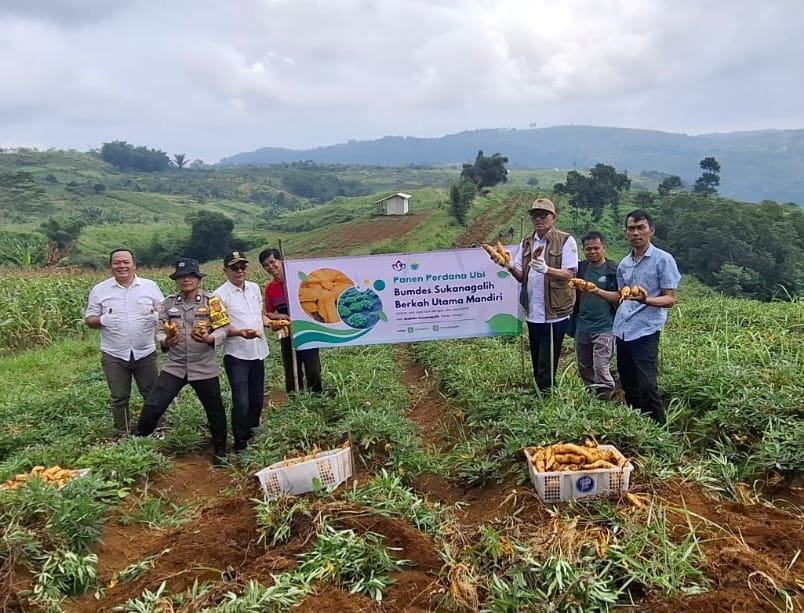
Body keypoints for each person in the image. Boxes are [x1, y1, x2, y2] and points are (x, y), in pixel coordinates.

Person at [577, 210, 681, 424]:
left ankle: (659, 431)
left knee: (647, 384)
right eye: (631, 229)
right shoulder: (624, 264)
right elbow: (620, 296)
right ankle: (638, 426)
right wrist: (594, 290)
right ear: (626, 233)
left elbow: (669, 299)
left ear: (651, 231)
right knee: (628, 383)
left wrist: (645, 300)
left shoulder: (663, 260)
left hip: (646, 330)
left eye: (640, 228)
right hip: (622, 330)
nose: (636, 233)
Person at [136, 258, 231, 465]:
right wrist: (167, 341)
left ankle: (220, 450)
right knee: (153, 405)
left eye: (190, 276)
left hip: (204, 365)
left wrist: (211, 338)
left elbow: (223, 328)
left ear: (198, 279)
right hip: (175, 365)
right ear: (176, 281)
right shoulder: (168, 304)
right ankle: (137, 446)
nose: (186, 280)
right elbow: (160, 333)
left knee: (214, 409)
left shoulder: (212, 302)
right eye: (181, 277)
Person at [84, 248, 164, 438]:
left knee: (151, 393)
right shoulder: (100, 289)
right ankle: (122, 433)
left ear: (134, 265)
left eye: (126, 262)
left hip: (145, 351)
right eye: (117, 262)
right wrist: (102, 320)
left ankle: (156, 428)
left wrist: (157, 317)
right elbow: (89, 319)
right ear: (111, 266)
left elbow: (165, 312)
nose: (122, 266)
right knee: (119, 397)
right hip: (114, 353)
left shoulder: (150, 287)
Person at [503, 198, 578, 392]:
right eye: (535, 215)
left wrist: (547, 269)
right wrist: (510, 267)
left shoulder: (565, 240)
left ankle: (545, 397)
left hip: (555, 311)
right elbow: (521, 276)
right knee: (536, 357)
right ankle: (539, 390)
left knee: (548, 359)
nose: (539, 219)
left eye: (544, 215)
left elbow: (570, 273)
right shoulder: (527, 243)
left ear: (554, 218)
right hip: (534, 312)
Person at [213, 251, 270, 455]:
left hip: (258, 351)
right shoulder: (218, 296)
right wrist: (240, 332)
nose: (239, 271)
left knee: (256, 399)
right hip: (237, 355)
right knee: (242, 402)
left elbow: (259, 315)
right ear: (225, 271)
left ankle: (253, 434)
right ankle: (240, 443)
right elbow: (220, 328)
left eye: (242, 267)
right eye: (234, 268)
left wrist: (270, 322)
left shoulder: (254, 288)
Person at [258, 248, 323, 393]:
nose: (270, 267)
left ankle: (317, 396)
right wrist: (278, 316)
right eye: (266, 265)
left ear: (280, 261)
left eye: (272, 262)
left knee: (312, 367)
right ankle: (295, 397)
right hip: (286, 330)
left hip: (306, 329)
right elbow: (268, 313)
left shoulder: (298, 281)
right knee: (291, 367)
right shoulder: (270, 288)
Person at [571, 231, 619, 399]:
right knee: (584, 366)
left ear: (604, 248)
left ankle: (606, 395)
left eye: (596, 248)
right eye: (588, 249)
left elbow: (620, 296)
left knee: (601, 366)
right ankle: (592, 395)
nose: (592, 252)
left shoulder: (613, 270)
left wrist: (597, 290)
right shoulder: (581, 269)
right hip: (582, 325)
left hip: (605, 327)